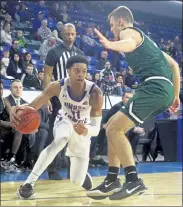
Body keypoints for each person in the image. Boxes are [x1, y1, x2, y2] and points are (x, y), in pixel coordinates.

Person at [87, 6, 180, 200]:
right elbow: (174, 65)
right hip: (161, 89)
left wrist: (111, 45)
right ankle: (112, 178)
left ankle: (133, 180)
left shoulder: (129, 33)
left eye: (112, 26)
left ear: (120, 21)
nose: (112, 30)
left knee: (114, 129)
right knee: (111, 125)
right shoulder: (149, 44)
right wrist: (175, 95)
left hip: (153, 87)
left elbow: (128, 43)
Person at [10, 55, 103, 199]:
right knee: (60, 139)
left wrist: (86, 130)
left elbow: (96, 129)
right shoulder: (57, 86)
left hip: (83, 128)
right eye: (77, 70)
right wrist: (18, 110)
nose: (80, 74)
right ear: (68, 71)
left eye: (84, 71)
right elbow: (33, 106)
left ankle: (82, 176)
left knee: (76, 180)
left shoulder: (95, 93)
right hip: (64, 120)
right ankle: (28, 184)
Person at [44, 23, 83, 180]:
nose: (70, 37)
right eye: (67, 34)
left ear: (76, 34)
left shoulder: (79, 54)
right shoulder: (54, 52)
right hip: (58, 99)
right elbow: (47, 76)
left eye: (72, 34)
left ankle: (72, 170)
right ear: (62, 35)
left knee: (75, 135)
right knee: (57, 135)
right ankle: (53, 170)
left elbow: (83, 78)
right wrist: (46, 97)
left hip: (76, 101)